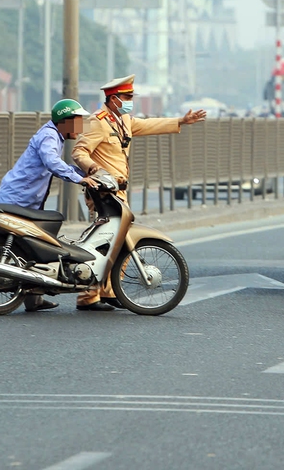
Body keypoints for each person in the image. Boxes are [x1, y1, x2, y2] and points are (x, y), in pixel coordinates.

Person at [71, 74, 206, 311]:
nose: (130, 101)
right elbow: (79, 151)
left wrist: (181, 121)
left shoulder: (123, 119)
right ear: (113, 99)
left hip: (118, 192)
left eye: (131, 97)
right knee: (101, 243)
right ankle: (88, 297)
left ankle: (109, 291)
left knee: (120, 240)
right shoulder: (97, 122)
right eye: (126, 97)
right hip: (103, 194)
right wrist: (94, 169)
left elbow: (147, 124)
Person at [0, 99, 100, 312]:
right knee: (11, 248)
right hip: (17, 200)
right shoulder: (49, 136)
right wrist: (79, 180)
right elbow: (52, 162)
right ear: (65, 122)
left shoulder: (54, 135)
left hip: (26, 200)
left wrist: (85, 173)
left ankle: (34, 300)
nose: (80, 128)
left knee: (31, 248)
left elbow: (58, 164)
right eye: (77, 122)